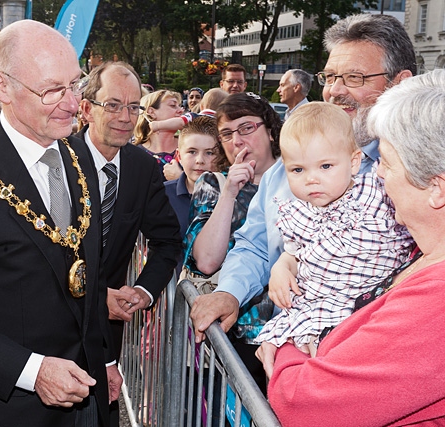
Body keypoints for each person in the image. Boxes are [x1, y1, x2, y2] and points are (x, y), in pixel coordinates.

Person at [190, 13, 416, 350]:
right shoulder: (285, 172)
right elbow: (255, 245)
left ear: (400, 83)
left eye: (354, 77)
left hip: (373, 356)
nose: (335, 91)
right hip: (280, 349)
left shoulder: (420, 174)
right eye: (330, 76)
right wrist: (229, 292)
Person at [0, 20, 114, 427]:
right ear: (2, 86)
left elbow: (88, 276)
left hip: (91, 395)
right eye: (52, 90)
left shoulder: (78, 157)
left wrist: (106, 359)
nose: (72, 103)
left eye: (76, 84)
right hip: (14, 409)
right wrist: (31, 371)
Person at [263, 68, 445, 427]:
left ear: (436, 187)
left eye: (387, 164)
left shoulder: (436, 301)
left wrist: (285, 343)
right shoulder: (417, 253)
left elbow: (304, 404)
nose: (376, 176)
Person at [255, 102, 413, 354]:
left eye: (325, 166)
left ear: (353, 162)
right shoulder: (298, 213)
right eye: (298, 169)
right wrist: (282, 268)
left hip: (371, 306)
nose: (311, 178)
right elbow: (294, 253)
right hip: (318, 308)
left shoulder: (376, 193)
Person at [74, 60, 182, 426]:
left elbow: (167, 242)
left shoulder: (142, 166)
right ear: (87, 109)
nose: (125, 116)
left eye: (134, 106)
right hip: (52, 329)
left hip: (108, 334)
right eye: (113, 105)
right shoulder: (57, 161)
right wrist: (94, 294)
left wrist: (143, 291)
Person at [183, 93, 281, 393]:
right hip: (236, 330)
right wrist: (230, 193)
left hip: (287, 332)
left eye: (247, 128)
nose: (237, 140)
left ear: (271, 132)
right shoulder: (213, 183)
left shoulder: (301, 177)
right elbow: (207, 260)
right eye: (227, 133)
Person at [164, 115, 219, 238]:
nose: (200, 160)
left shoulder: (230, 197)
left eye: (209, 153)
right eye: (192, 152)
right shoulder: (162, 195)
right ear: (179, 156)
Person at [133, 89, 184, 181]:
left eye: (180, 106)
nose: (180, 111)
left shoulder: (191, 148)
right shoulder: (134, 154)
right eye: (173, 105)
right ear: (151, 112)